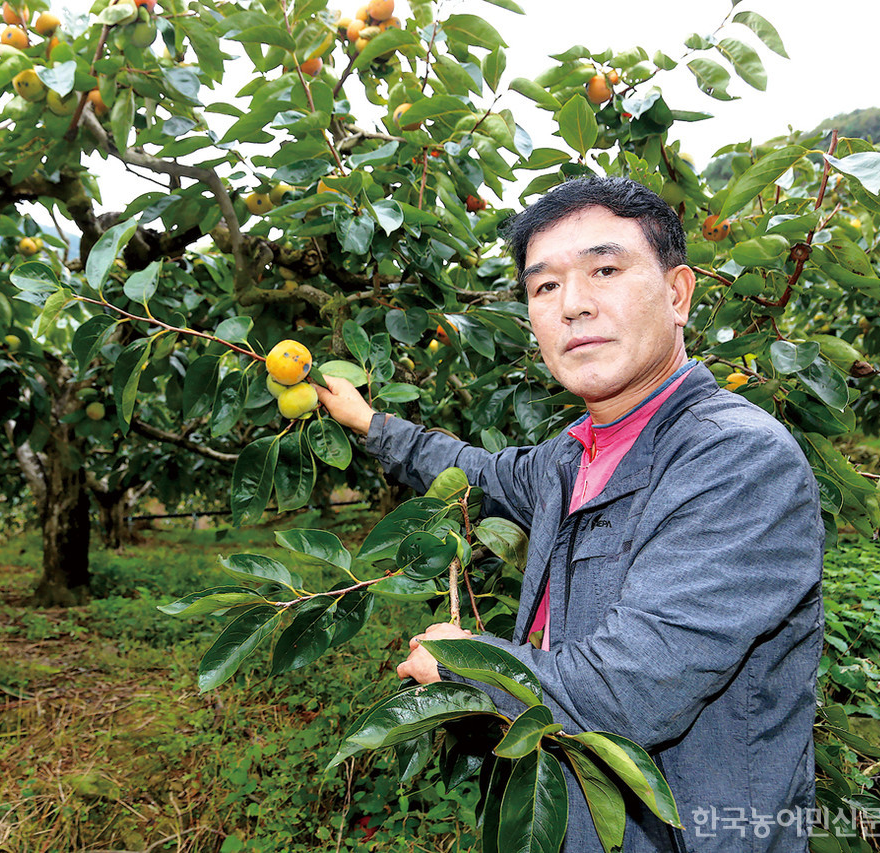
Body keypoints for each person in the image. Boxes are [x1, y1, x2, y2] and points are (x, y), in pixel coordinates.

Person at [315, 176, 823, 853]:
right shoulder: (569, 458)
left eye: (604, 269)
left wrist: (462, 662)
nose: (573, 305)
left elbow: (629, 690)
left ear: (677, 294)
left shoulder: (737, 460)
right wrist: (367, 420)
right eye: (544, 286)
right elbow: (475, 471)